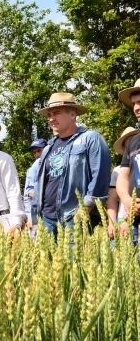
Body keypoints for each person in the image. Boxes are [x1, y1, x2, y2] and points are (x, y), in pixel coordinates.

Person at [34, 92, 111, 238]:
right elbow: (40, 183)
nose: (51, 119)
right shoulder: (48, 147)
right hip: (46, 219)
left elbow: (101, 174)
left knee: (74, 260)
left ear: (72, 114)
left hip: (73, 217)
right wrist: (35, 215)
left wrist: (86, 206)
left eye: (56, 113)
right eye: (49, 115)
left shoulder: (90, 138)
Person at [113, 79, 140, 227]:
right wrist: (127, 201)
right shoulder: (132, 142)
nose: (136, 108)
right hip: (134, 220)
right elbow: (123, 177)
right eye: (134, 103)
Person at [109, 126, 140, 240]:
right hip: (124, 218)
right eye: (127, 141)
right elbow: (112, 199)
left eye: (134, 138)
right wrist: (112, 222)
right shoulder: (117, 171)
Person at [22, 138, 47, 234]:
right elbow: (29, 194)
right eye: (34, 152)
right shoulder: (35, 166)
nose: (37, 155)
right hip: (37, 215)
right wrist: (30, 217)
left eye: (39, 150)